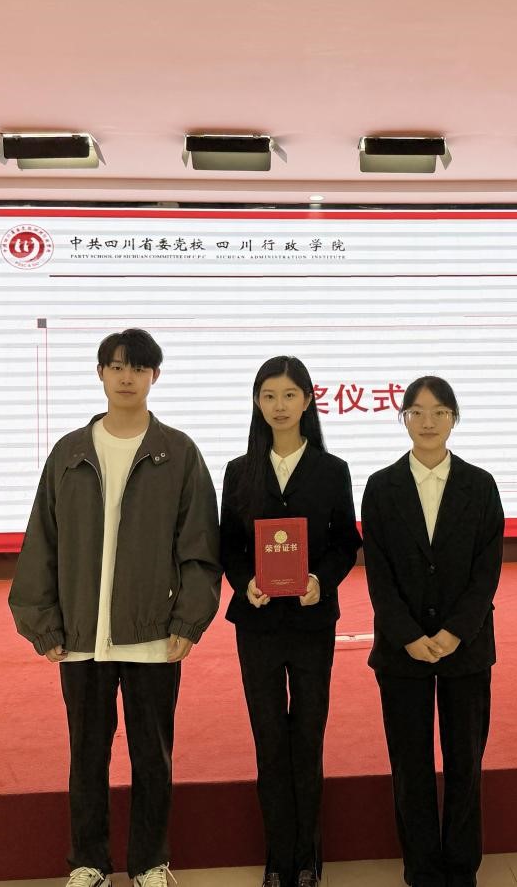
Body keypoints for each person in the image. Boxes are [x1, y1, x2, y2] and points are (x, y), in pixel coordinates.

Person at [8, 328, 222, 887]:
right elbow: (41, 542)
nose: (128, 377)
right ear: (100, 373)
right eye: (117, 366)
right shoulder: (70, 452)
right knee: (87, 755)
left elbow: (199, 544)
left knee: (153, 755)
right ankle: (89, 862)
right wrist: (42, 623)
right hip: (82, 635)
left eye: (139, 367)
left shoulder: (178, 453)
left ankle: (150, 862)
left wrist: (190, 619)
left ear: (155, 376)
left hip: (153, 634)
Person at [220, 356, 362, 887]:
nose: (278, 406)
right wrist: (245, 583)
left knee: (307, 737)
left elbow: (346, 542)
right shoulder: (240, 470)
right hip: (257, 624)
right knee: (268, 739)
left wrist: (321, 579)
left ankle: (307, 859)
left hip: (311, 623)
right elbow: (229, 545)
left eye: (288, 395)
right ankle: (277, 859)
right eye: (268, 396)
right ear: (257, 403)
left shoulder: (331, 470)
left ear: (307, 400)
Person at [360, 376, 504, 887]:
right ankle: (421, 868)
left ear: (453, 419)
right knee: (410, 764)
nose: (427, 422)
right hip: (401, 650)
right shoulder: (381, 487)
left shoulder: (480, 485)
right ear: (403, 418)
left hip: (467, 648)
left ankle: (461, 868)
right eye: (416, 412)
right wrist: (407, 635)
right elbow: (378, 573)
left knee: (465, 761)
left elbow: (487, 570)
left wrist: (456, 632)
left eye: (439, 412)